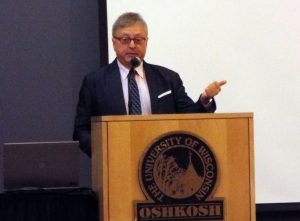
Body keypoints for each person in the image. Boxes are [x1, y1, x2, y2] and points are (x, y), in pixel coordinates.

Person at [73, 12, 226, 156]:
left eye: (138, 40)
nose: (132, 45)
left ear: (146, 42)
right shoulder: (95, 82)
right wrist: (105, 152)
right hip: (116, 163)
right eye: (125, 40)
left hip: (162, 162)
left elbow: (189, 118)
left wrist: (205, 99)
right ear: (114, 43)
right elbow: (81, 131)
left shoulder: (168, 78)